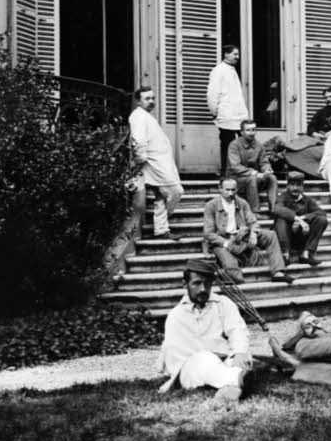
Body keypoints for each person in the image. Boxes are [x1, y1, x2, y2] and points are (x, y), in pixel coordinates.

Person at [158, 259, 254, 404]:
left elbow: (237, 330)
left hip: (223, 361)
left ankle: (230, 388)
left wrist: (239, 353)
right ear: (185, 284)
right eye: (196, 283)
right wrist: (211, 356)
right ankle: (238, 379)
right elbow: (174, 357)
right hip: (192, 368)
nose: (203, 289)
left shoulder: (223, 303)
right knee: (203, 359)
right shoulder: (176, 315)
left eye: (207, 283)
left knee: (243, 352)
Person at [109, 87, 185, 270]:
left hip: (160, 160)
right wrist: (140, 160)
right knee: (175, 191)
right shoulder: (137, 116)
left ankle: (161, 229)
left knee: (161, 194)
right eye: (147, 98)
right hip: (152, 161)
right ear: (138, 101)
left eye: (152, 98)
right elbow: (138, 139)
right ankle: (161, 226)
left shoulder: (147, 116)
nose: (151, 101)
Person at [202, 177, 295, 285]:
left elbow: (252, 222)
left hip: (241, 236)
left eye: (233, 190)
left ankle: (278, 272)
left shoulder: (242, 203)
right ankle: (234, 269)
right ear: (220, 189)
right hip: (222, 241)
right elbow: (209, 233)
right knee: (235, 276)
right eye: (227, 190)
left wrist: (253, 233)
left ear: (237, 189)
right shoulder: (211, 205)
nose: (231, 193)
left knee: (271, 235)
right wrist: (227, 244)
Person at [207, 44, 248, 178]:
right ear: (226, 54)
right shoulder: (218, 70)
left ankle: (241, 174)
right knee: (227, 147)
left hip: (239, 116)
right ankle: (225, 176)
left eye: (238, 54)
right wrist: (214, 112)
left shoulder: (232, 70)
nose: (237, 57)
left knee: (243, 146)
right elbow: (212, 94)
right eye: (234, 54)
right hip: (226, 116)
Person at [270, 171, 328, 266]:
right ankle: (285, 255)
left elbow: (322, 213)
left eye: (298, 185)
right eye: (292, 185)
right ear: (287, 186)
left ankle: (306, 254)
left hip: (300, 237)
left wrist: (305, 218)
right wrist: (297, 219)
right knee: (281, 219)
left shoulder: (307, 200)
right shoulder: (282, 197)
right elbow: (277, 209)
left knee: (321, 220)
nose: (295, 188)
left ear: (302, 187)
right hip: (284, 237)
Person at [227, 118, 279, 214]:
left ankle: (274, 210)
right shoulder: (234, 145)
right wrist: (255, 173)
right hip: (236, 180)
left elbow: (264, 162)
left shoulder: (259, 146)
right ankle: (255, 212)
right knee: (252, 178)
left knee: (272, 178)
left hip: (253, 180)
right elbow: (235, 166)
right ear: (242, 132)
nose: (251, 133)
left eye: (253, 130)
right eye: (248, 130)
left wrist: (267, 169)